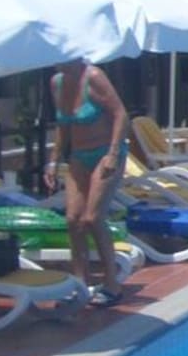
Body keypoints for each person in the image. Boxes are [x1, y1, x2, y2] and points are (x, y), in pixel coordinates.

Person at [43, 59, 130, 306]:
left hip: (105, 153)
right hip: (78, 156)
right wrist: (53, 161)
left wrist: (113, 153)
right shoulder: (56, 83)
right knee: (73, 220)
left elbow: (121, 114)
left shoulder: (93, 76)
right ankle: (79, 283)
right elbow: (63, 125)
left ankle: (112, 285)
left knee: (93, 218)